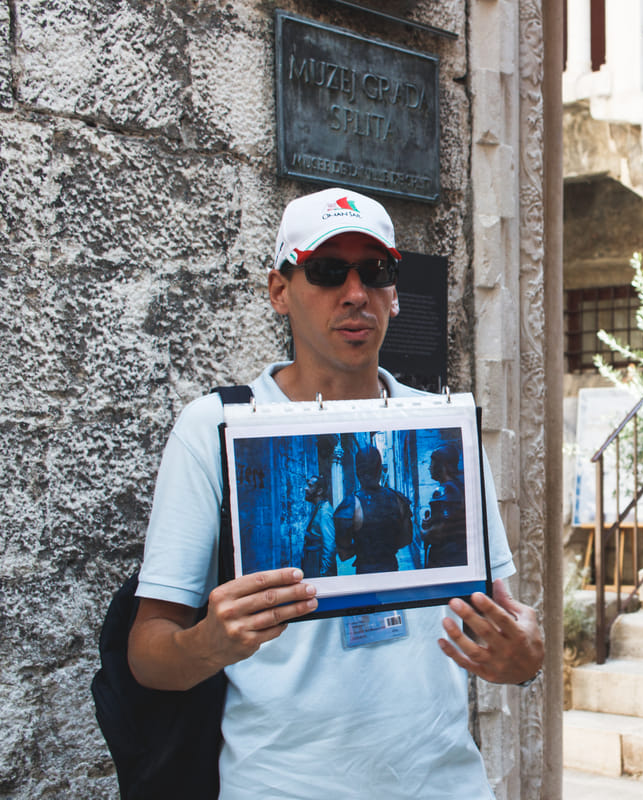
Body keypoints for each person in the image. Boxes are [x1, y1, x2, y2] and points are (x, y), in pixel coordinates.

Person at [126, 187, 543, 799]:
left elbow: (501, 619)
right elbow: (148, 652)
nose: (355, 294)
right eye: (326, 271)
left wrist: (526, 661)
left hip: (444, 784)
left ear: (395, 294)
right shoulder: (214, 427)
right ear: (279, 290)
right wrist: (207, 643)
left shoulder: (442, 424)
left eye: (376, 273)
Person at [333, 446, 414, 574]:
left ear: (358, 471)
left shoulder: (351, 504)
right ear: (379, 469)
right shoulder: (398, 499)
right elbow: (406, 538)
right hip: (391, 567)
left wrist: (363, 549)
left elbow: (344, 553)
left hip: (366, 570)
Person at [421, 443, 468, 568]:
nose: (429, 467)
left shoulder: (444, 491)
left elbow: (438, 532)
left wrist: (424, 532)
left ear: (443, 466)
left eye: (432, 463)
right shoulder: (460, 487)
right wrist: (431, 521)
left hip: (445, 557)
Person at [299, 475, 336, 578]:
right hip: (312, 561)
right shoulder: (318, 508)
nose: (306, 488)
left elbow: (329, 545)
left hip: (317, 564)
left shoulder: (325, 512)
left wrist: (324, 574)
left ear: (319, 491)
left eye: (310, 486)